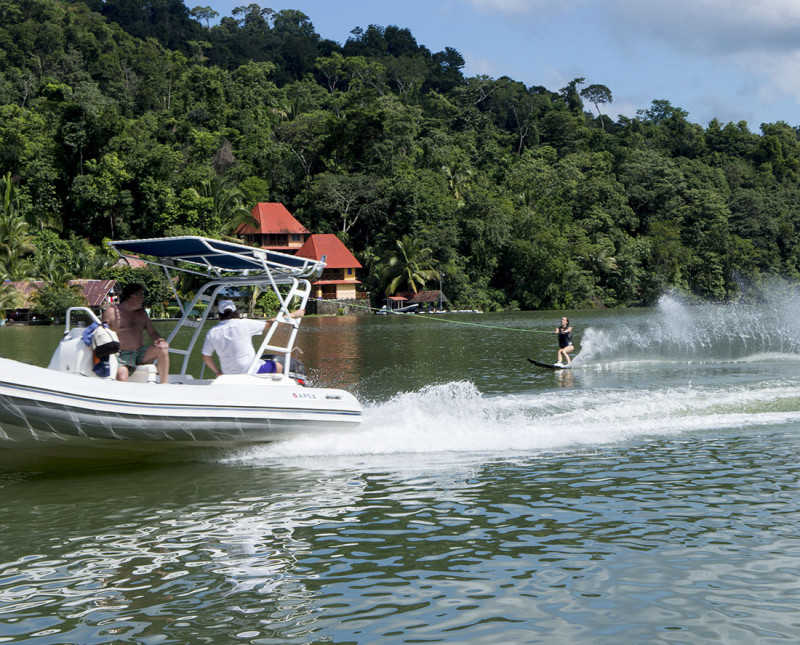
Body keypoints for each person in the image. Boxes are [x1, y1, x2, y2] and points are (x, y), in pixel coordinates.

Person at [201, 300, 304, 377]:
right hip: (250, 371)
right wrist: (294, 315)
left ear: (220, 315)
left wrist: (218, 372)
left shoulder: (212, 332)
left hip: (228, 374)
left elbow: (205, 356)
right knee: (278, 366)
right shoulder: (244, 324)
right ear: (235, 311)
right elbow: (271, 323)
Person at [102, 283, 170, 383]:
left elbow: (153, 332)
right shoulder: (111, 312)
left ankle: (164, 384)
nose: (143, 299)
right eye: (142, 295)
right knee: (122, 377)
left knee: (162, 348)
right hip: (121, 355)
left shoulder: (142, 313)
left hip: (139, 353)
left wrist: (160, 340)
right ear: (133, 296)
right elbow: (102, 333)